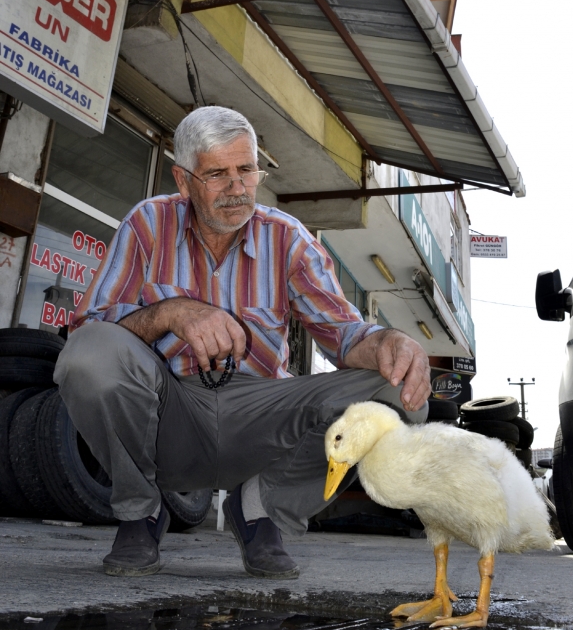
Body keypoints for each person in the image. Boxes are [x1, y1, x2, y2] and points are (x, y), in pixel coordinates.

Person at [54, 106, 431, 579]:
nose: (237, 188)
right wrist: (172, 313)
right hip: (170, 414)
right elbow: (88, 327)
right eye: (217, 173)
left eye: (246, 169)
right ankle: (140, 514)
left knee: (394, 390)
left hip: (261, 422)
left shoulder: (287, 238)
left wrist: (389, 341)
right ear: (183, 179)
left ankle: (259, 511)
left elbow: (343, 333)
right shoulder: (148, 224)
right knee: (88, 357)